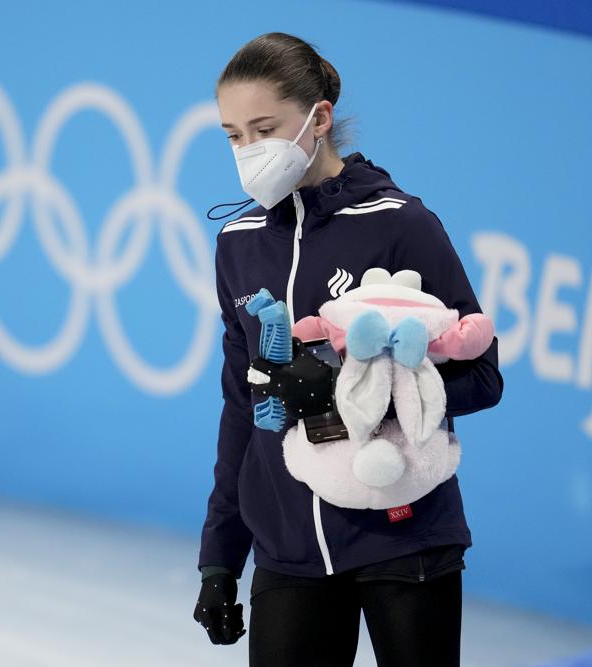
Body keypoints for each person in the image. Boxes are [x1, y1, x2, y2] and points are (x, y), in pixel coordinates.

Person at [193, 32, 504, 667]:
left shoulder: (401, 225)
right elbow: (239, 408)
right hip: (287, 548)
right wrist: (220, 556)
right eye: (233, 135)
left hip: (403, 536)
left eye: (264, 128)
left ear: (319, 118)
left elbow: (483, 378)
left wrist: (351, 387)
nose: (249, 151)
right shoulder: (238, 243)